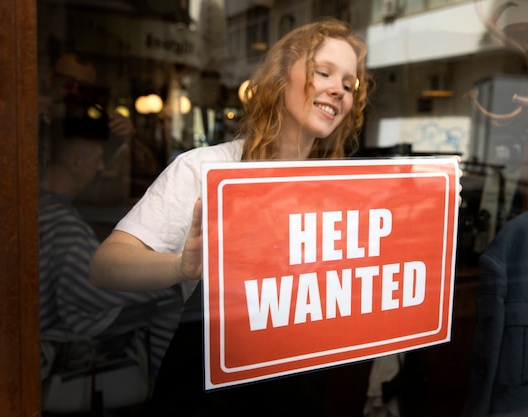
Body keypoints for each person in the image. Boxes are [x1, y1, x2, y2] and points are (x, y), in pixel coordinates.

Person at [88, 18, 371, 416]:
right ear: (279, 77)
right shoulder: (204, 169)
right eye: (322, 72)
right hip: (215, 393)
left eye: (349, 83)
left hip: (304, 388)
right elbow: (105, 266)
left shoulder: (342, 188)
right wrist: (182, 266)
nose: (338, 90)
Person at [38, 105, 182, 391]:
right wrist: (171, 283)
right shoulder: (63, 226)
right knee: (172, 309)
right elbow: (101, 289)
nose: (102, 168)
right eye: (97, 160)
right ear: (77, 162)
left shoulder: (40, 207)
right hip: (62, 360)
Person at [38, 51, 158, 205]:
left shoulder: (96, 125)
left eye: (82, 88)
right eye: (67, 83)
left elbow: (147, 169)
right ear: (50, 79)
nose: (74, 92)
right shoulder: (30, 119)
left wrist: (130, 137)